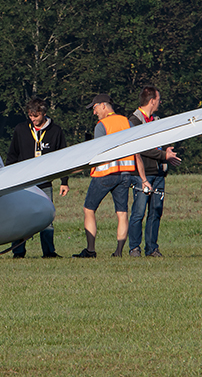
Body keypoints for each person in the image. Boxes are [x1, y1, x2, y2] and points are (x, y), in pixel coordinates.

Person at [74, 94, 150, 258]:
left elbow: (98, 153)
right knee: (122, 213)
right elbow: (136, 153)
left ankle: (91, 250)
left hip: (104, 174)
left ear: (103, 105)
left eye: (94, 108)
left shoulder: (101, 125)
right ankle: (118, 252)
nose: (94, 113)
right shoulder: (127, 122)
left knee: (89, 209)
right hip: (125, 175)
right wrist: (144, 179)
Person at [4, 97, 70, 258]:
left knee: (47, 218)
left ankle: (49, 252)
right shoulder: (21, 129)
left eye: (36, 116)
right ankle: (18, 252)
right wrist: (6, 178)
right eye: (30, 116)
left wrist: (64, 182)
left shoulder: (56, 131)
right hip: (23, 183)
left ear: (44, 113)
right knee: (20, 216)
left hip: (45, 183)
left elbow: (65, 158)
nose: (33, 119)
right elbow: (12, 155)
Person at [127, 86, 181, 259]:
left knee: (156, 211)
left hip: (158, 173)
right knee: (139, 212)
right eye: (158, 100)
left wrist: (168, 150)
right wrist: (163, 155)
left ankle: (152, 248)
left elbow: (163, 140)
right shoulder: (134, 121)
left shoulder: (157, 119)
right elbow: (139, 149)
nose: (160, 103)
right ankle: (134, 248)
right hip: (141, 174)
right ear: (152, 101)